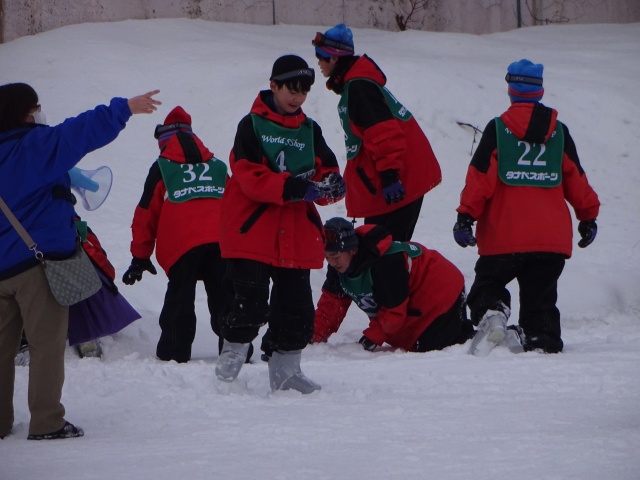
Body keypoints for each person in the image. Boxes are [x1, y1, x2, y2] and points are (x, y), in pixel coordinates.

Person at [0, 82, 160, 440]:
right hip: (37, 266)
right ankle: (47, 422)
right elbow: (80, 131)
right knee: (46, 346)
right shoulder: (35, 146)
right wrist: (124, 108)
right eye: (35, 107)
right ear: (25, 113)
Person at [216, 55, 345, 394]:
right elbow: (247, 175)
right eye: (291, 90)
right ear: (273, 85)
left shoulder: (310, 130)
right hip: (252, 232)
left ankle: (286, 371)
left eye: (303, 92)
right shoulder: (252, 126)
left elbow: (326, 170)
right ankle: (231, 355)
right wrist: (291, 186)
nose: (297, 98)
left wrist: (332, 184)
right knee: (250, 303)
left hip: (297, 234)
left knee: (297, 310)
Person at [453, 59, 600, 355]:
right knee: (541, 299)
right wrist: (588, 217)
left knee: (488, 285)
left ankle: (494, 314)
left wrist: (465, 217)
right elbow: (577, 179)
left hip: (503, 236)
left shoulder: (497, 130)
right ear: (540, 91)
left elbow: (480, 179)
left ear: (510, 89)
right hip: (550, 240)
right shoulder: (559, 132)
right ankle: (541, 341)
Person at [312, 23, 441, 241]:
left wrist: (390, 176)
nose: (318, 63)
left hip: (397, 184)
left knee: (383, 254)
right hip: (394, 182)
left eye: (321, 57)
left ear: (334, 58)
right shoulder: (358, 85)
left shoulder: (359, 89)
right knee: (383, 253)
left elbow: (383, 133)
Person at [123, 106, 228, 364]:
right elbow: (238, 206)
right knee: (226, 296)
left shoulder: (162, 167)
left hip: (183, 245)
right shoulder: (217, 166)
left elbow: (146, 214)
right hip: (222, 242)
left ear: (163, 142)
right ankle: (236, 350)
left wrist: (140, 256)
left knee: (180, 297)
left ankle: (173, 352)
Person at [313, 217, 474, 353]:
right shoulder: (339, 269)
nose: (331, 262)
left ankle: (483, 335)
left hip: (442, 291)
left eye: (335, 256)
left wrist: (372, 337)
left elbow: (394, 311)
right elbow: (331, 305)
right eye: (327, 257)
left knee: (432, 350)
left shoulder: (385, 263)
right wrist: (315, 336)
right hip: (418, 297)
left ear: (353, 250)